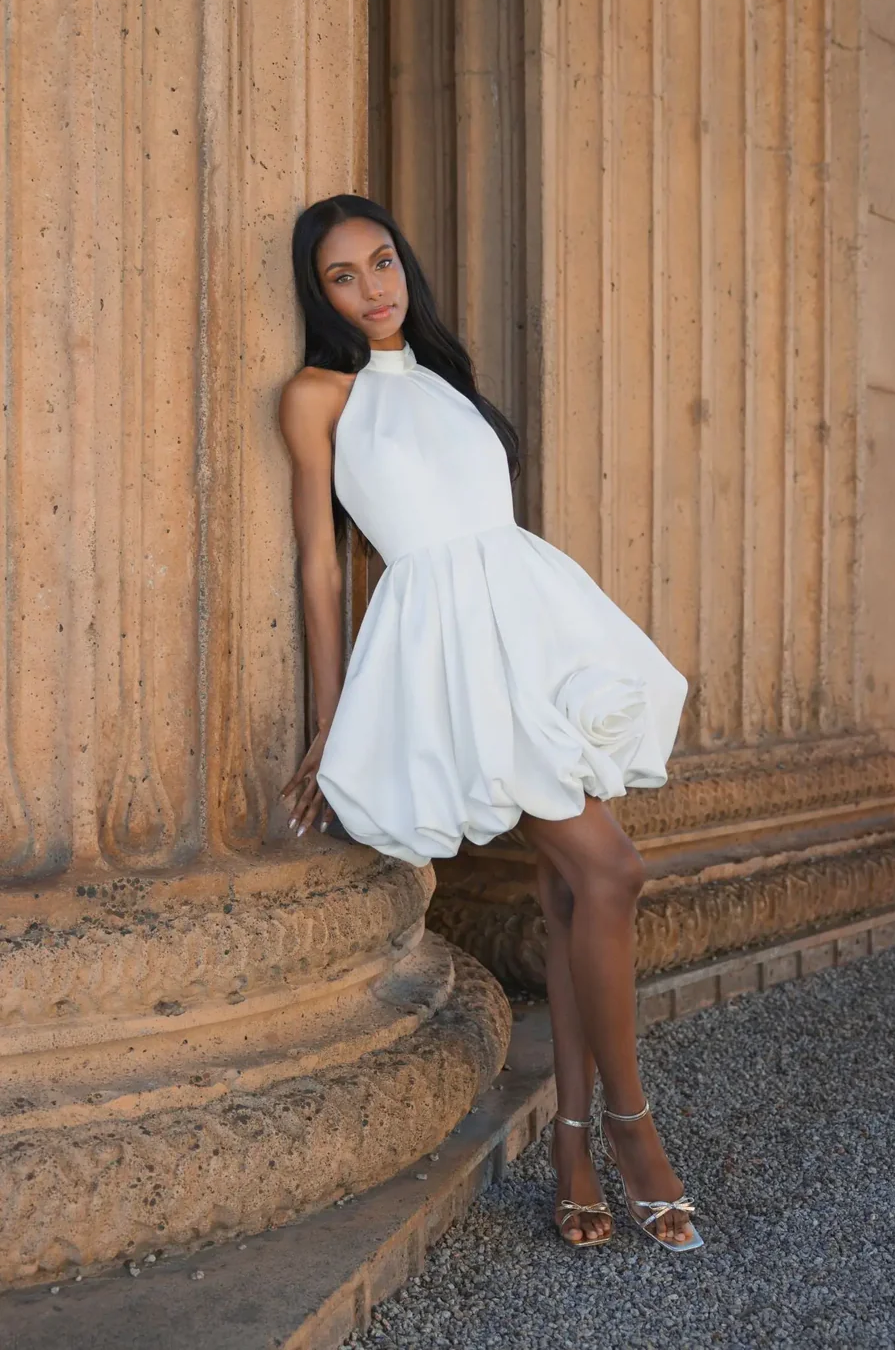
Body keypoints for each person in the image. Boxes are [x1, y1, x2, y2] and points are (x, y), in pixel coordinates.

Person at [278, 194, 702, 1252]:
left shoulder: (442, 381)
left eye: (384, 262)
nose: (375, 288)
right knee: (613, 873)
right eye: (344, 275)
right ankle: (632, 1130)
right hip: (450, 656)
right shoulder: (317, 395)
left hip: (533, 628)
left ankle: (569, 1148)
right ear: (316, 293)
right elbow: (321, 567)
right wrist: (331, 723)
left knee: (573, 888)